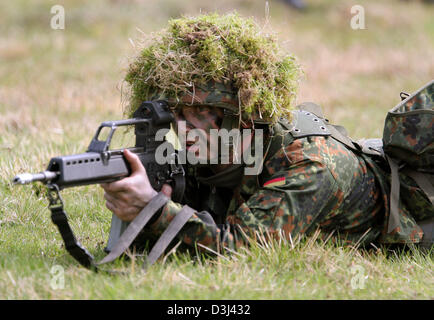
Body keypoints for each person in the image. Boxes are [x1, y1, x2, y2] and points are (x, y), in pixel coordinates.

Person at [100, 13, 432, 258]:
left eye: (202, 113)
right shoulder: (219, 153)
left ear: (244, 116)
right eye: (178, 115)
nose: (184, 131)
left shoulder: (310, 165)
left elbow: (241, 250)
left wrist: (156, 210)